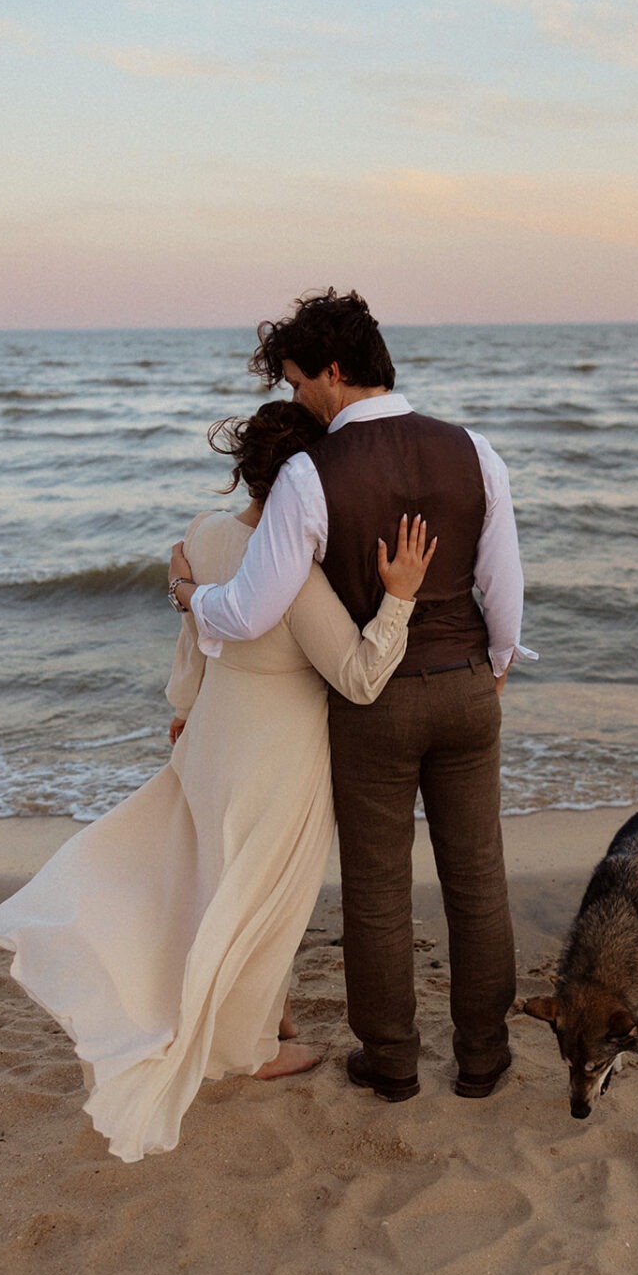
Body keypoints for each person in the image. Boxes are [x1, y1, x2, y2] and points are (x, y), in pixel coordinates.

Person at [0, 400, 434, 1162]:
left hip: (215, 732)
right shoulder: (298, 575)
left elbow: (194, 638)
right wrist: (401, 598)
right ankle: (254, 1049)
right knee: (265, 892)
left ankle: (272, 1012)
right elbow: (357, 678)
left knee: (217, 879)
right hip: (278, 751)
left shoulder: (202, 534)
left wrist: (183, 710)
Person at [168, 289, 535, 1103]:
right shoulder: (474, 450)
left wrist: (194, 600)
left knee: (377, 885)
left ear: (335, 372)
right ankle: (482, 1057)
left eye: (299, 381)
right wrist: (496, 664)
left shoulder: (308, 473)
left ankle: (394, 1061)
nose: (296, 398)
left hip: (376, 703)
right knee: (478, 875)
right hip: (469, 687)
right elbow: (501, 591)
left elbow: (254, 607)